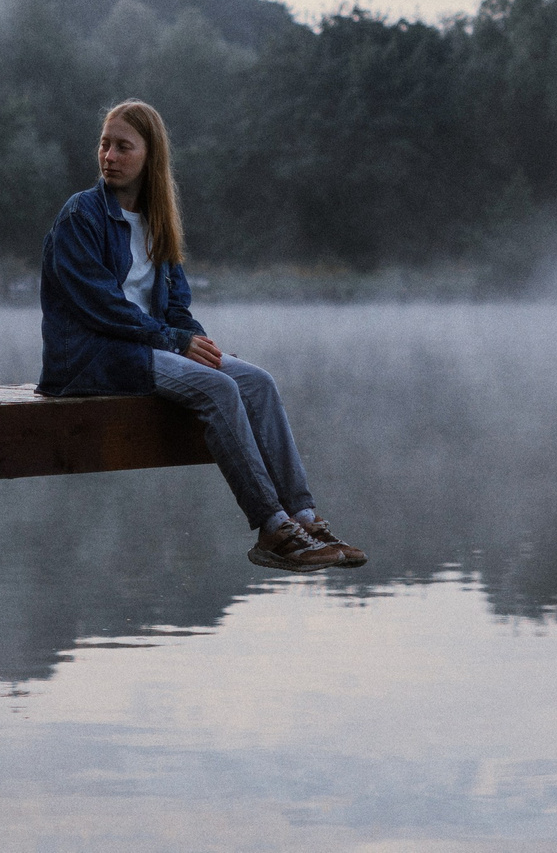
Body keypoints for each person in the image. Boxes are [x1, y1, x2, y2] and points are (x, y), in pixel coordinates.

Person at [37, 100, 366, 573]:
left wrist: (197, 343)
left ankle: (304, 518)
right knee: (218, 387)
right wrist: (175, 342)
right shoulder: (81, 215)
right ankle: (272, 527)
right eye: (105, 144)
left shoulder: (157, 219)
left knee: (256, 381)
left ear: (151, 157)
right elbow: (100, 307)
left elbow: (176, 306)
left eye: (123, 147)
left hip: (145, 346)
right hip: (92, 358)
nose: (108, 156)